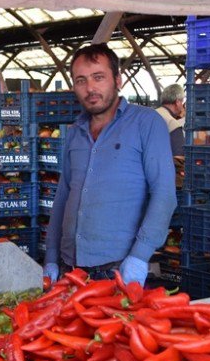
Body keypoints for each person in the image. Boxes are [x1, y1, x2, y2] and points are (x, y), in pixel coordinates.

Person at [43, 43, 176, 287]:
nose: (90, 88)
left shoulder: (147, 123)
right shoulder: (75, 131)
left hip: (118, 269)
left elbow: (164, 195)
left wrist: (139, 256)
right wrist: (50, 255)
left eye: (98, 77)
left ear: (118, 79)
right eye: (81, 80)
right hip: (69, 270)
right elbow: (63, 196)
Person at [156, 83, 185, 158]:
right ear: (177, 102)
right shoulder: (172, 124)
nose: (182, 106)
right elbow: (178, 158)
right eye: (182, 102)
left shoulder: (150, 115)